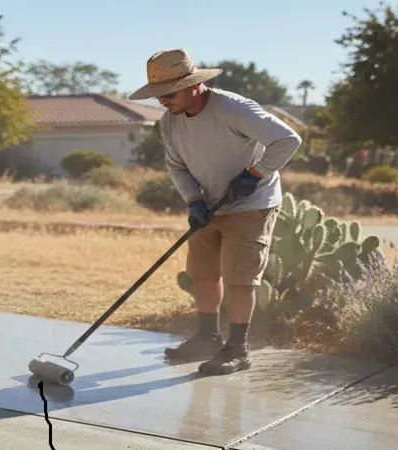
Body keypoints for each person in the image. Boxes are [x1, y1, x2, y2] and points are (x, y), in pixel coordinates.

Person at [127, 49, 302, 375]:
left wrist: (255, 174)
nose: (163, 102)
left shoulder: (234, 109)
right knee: (203, 273)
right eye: (158, 96)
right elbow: (176, 166)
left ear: (193, 84)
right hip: (208, 205)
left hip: (251, 204)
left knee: (240, 277)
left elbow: (287, 140)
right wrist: (194, 201)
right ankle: (208, 337)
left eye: (168, 94)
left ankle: (238, 349)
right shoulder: (169, 122)